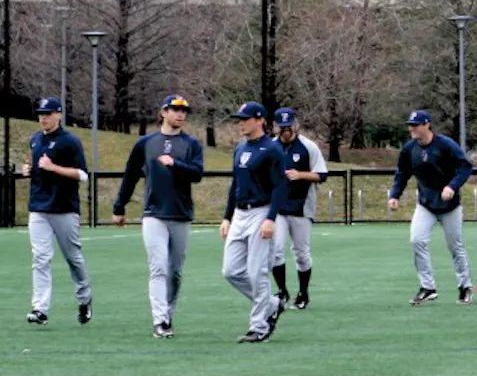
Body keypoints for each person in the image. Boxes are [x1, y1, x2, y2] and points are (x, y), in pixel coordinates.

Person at [113, 94, 204, 338]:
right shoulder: (146, 143)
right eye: (174, 110)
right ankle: (160, 320)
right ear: (163, 112)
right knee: (158, 268)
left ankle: (168, 313)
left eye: (183, 111)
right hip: (154, 214)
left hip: (181, 214)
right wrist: (119, 206)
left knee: (175, 271)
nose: (180, 114)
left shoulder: (191, 143)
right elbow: (130, 175)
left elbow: (197, 174)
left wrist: (175, 164)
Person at [388, 110, 474, 307]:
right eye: (410, 125)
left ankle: (465, 286)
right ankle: (428, 287)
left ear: (427, 125)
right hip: (426, 203)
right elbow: (402, 174)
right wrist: (394, 195)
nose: (412, 128)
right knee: (417, 240)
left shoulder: (445, 145)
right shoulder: (410, 149)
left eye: (416, 125)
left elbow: (466, 167)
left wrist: (452, 186)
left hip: (450, 205)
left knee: (455, 246)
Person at [220, 102, 290, 343]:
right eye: (239, 118)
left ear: (260, 120)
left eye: (245, 118)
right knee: (230, 271)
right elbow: (235, 185)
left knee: (256, 271)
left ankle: (259, 327)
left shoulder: (272, 149)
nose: (241, 122)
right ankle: (272, 304)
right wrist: (227, 217)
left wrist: (271, 218)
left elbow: (281, 185)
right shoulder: (240, 149)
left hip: (261, 212)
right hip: (240, 214)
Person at [22, 96, 91, 328]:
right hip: (38, 207)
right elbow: (38, 168)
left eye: (48, 114)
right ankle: (39, 309)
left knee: (73, 258)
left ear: (59, 115)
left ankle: (84, 298)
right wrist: (29, 169)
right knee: (40, 258)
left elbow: (83, 175)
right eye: (41, 114)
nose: (44, 118)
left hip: (64, 208)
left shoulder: (70, 141)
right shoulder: (35, 140)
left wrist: (54, 168)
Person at [270, 108, 328, 310]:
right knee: (275, 250)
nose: (285, 131)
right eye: (281, 127)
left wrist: (300, 175)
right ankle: (282, 291)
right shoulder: (270, 146)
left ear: (295, 125)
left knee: (301, 253)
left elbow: (321, 174)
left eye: (288, 127)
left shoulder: (308, 147)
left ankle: (303, 293)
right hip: (277, 207)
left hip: (301, 206)